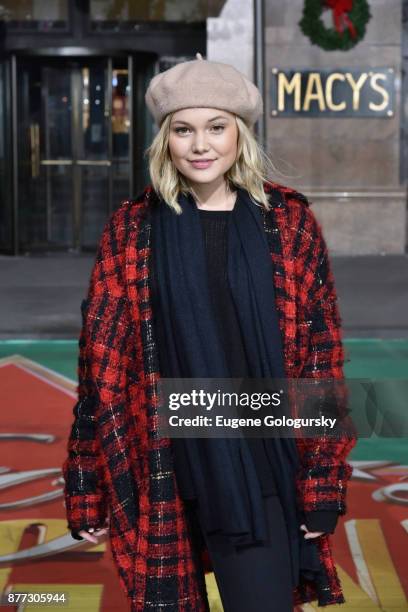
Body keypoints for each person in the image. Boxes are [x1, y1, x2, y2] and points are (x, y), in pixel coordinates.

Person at [62, 53, 357, 612]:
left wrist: (322, 481)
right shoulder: (131, 229)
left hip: (258, 459)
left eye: (216, 127)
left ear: (239, 135)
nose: (201, 145)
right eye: (184, 129)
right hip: (163, 464)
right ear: (166, 141)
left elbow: (319, 356)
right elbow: (98, 367)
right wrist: (86, 484)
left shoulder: (288, 224)